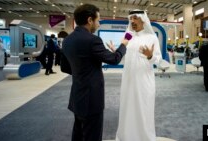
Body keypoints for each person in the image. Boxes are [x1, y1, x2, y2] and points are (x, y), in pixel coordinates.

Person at [62, 4, 128, 141]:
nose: (98, 24)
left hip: (77, 96)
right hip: (91, 100)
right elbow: (114, 59)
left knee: (78, 134)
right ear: (90, 20)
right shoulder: (93, 40)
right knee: (93, 135)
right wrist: (123, 45)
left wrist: (83, 71)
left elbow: (65, 67)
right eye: (98, 20)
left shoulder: (67, 40)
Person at [115, 10, 162, 141]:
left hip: (144, 81)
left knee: (143, 109)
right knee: (128, 107)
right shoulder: (128, 37)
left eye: (135, 18)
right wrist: (116, 52)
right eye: (131, 18)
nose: (132, 21)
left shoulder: (152, 38)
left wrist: (150, 56)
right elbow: (126, 59)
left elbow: (158, 60)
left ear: (143, 20)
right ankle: (126, 136)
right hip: (128, 80)